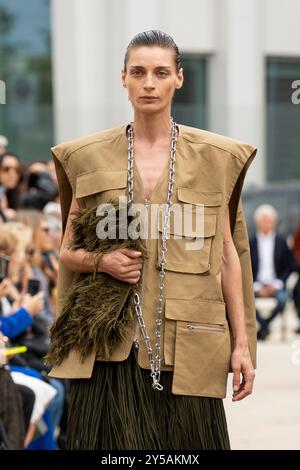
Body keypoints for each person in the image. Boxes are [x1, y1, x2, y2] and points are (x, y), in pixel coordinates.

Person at [47, 30, 257, 450]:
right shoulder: (86, 156)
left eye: (161, 72)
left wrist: (242, 345)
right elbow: (67, 253)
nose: (148, 83)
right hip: (109, 347)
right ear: (122, 77)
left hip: (190, 345)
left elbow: (230, 256)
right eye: (138, 72)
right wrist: (101, 263)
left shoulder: (217, 159)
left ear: (178, 79)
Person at [249, 204, 294, 340]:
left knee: (282, 300)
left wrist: (277, 284)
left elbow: (288, 267)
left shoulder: (281, 242)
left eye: (271, 220)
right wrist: (256, 287)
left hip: (276, 285)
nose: (269, 224)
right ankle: (265, 326)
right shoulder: (250, 243)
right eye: (265, 220)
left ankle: (263, 327)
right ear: (257, 222)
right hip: (255, 285)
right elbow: (247, 268)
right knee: (247, 302)